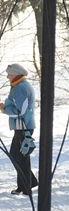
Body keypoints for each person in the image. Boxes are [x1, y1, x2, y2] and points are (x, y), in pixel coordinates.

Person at [0, 64, 37, 195]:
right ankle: (30, 182)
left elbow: (20, 111)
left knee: (21, 157)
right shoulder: (20, 86)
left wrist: (3, 108)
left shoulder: (20, 88)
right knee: (18, 155)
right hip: (22, 126)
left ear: (15, 74)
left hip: (23, 126)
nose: (7, 76)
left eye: (9, 73)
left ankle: (25, 186)